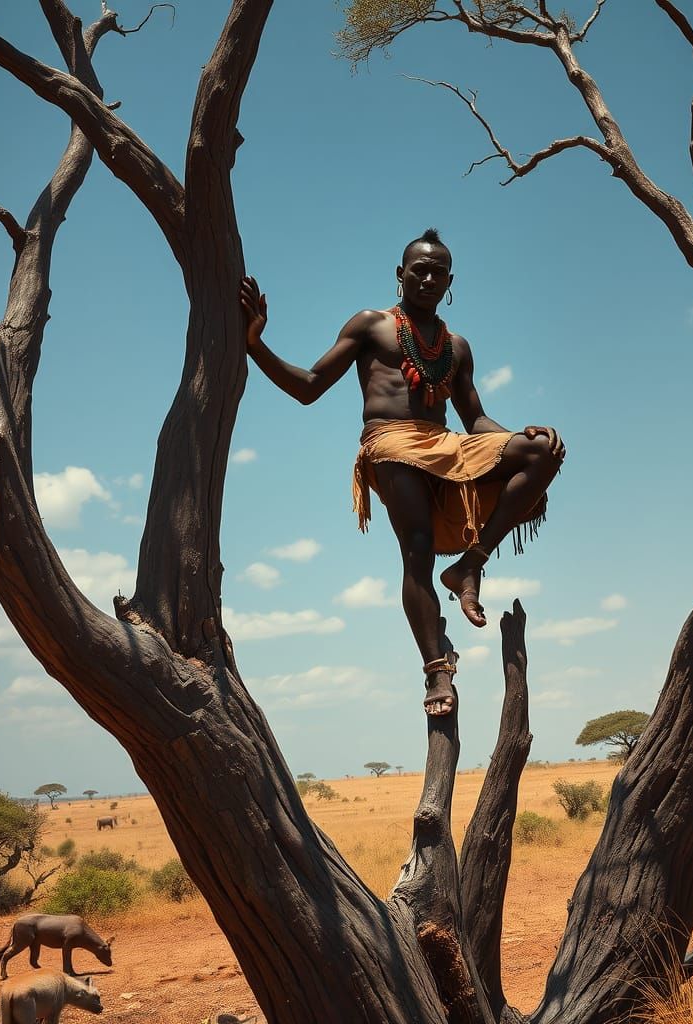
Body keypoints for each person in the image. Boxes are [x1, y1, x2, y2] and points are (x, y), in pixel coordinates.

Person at [239, 228, 564, 716]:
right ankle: (437, 670)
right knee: (416, 554)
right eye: (420, 270)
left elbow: (475, 420)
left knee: (544, 453)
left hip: (447, 444)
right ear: (401, 275)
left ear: (450, 280)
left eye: (439, 272)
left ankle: (471, 563)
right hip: (390, 443)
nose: (429, 277)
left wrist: (523, 435)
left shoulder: (457, 347)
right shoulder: (371, 325)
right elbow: (308, 386)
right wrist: (254, 344)